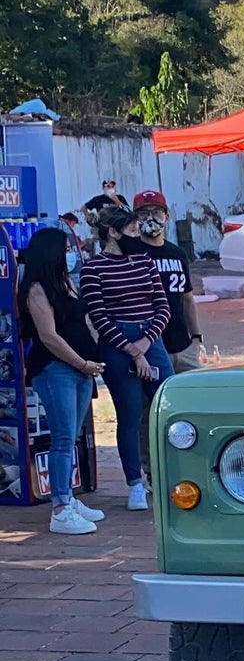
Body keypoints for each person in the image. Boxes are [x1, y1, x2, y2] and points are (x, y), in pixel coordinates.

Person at [79, 207, 172, 511]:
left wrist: (145, 344)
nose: (138, 236)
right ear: (113, 233)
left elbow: (163, 306)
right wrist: (133, 351)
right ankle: (135, 483)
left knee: (169, 409)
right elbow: (99, 318)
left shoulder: (144, 261)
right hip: (118, 344)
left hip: (150, 337)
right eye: (132, 231)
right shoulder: (92, 269)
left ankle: (171, 475)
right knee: (130, 415)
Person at [17, 227, 106, 536]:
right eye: (66, 248)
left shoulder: (66, 282)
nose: (71, 252)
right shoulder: (37, 289)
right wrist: (81, 363)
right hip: (57, 369)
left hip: (83, 370)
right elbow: (48, 336)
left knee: (72, 436)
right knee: (63, 438)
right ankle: (59, 507)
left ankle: (68, 496)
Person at [131, 190, 204, 372]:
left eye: (156, 212)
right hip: (150, 346)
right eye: (144, 213)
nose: (151, 218)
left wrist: (196, 337)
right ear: (135, 219)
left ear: (167, 216)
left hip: (183, 345)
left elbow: (187, 299)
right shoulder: (131, 254)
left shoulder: (177, 254)